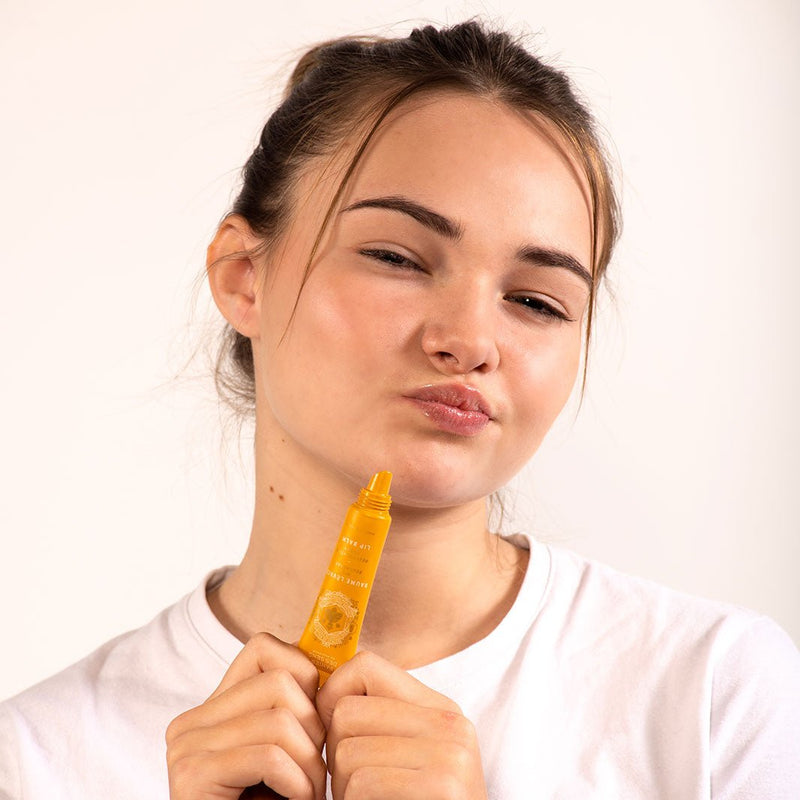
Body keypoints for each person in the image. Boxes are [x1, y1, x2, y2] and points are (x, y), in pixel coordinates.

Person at [1, 20, 798, 800]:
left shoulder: (717, 697)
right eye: (396, 257)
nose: (468, 341)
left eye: (536, 301)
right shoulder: (39, 758)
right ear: (245, 276)